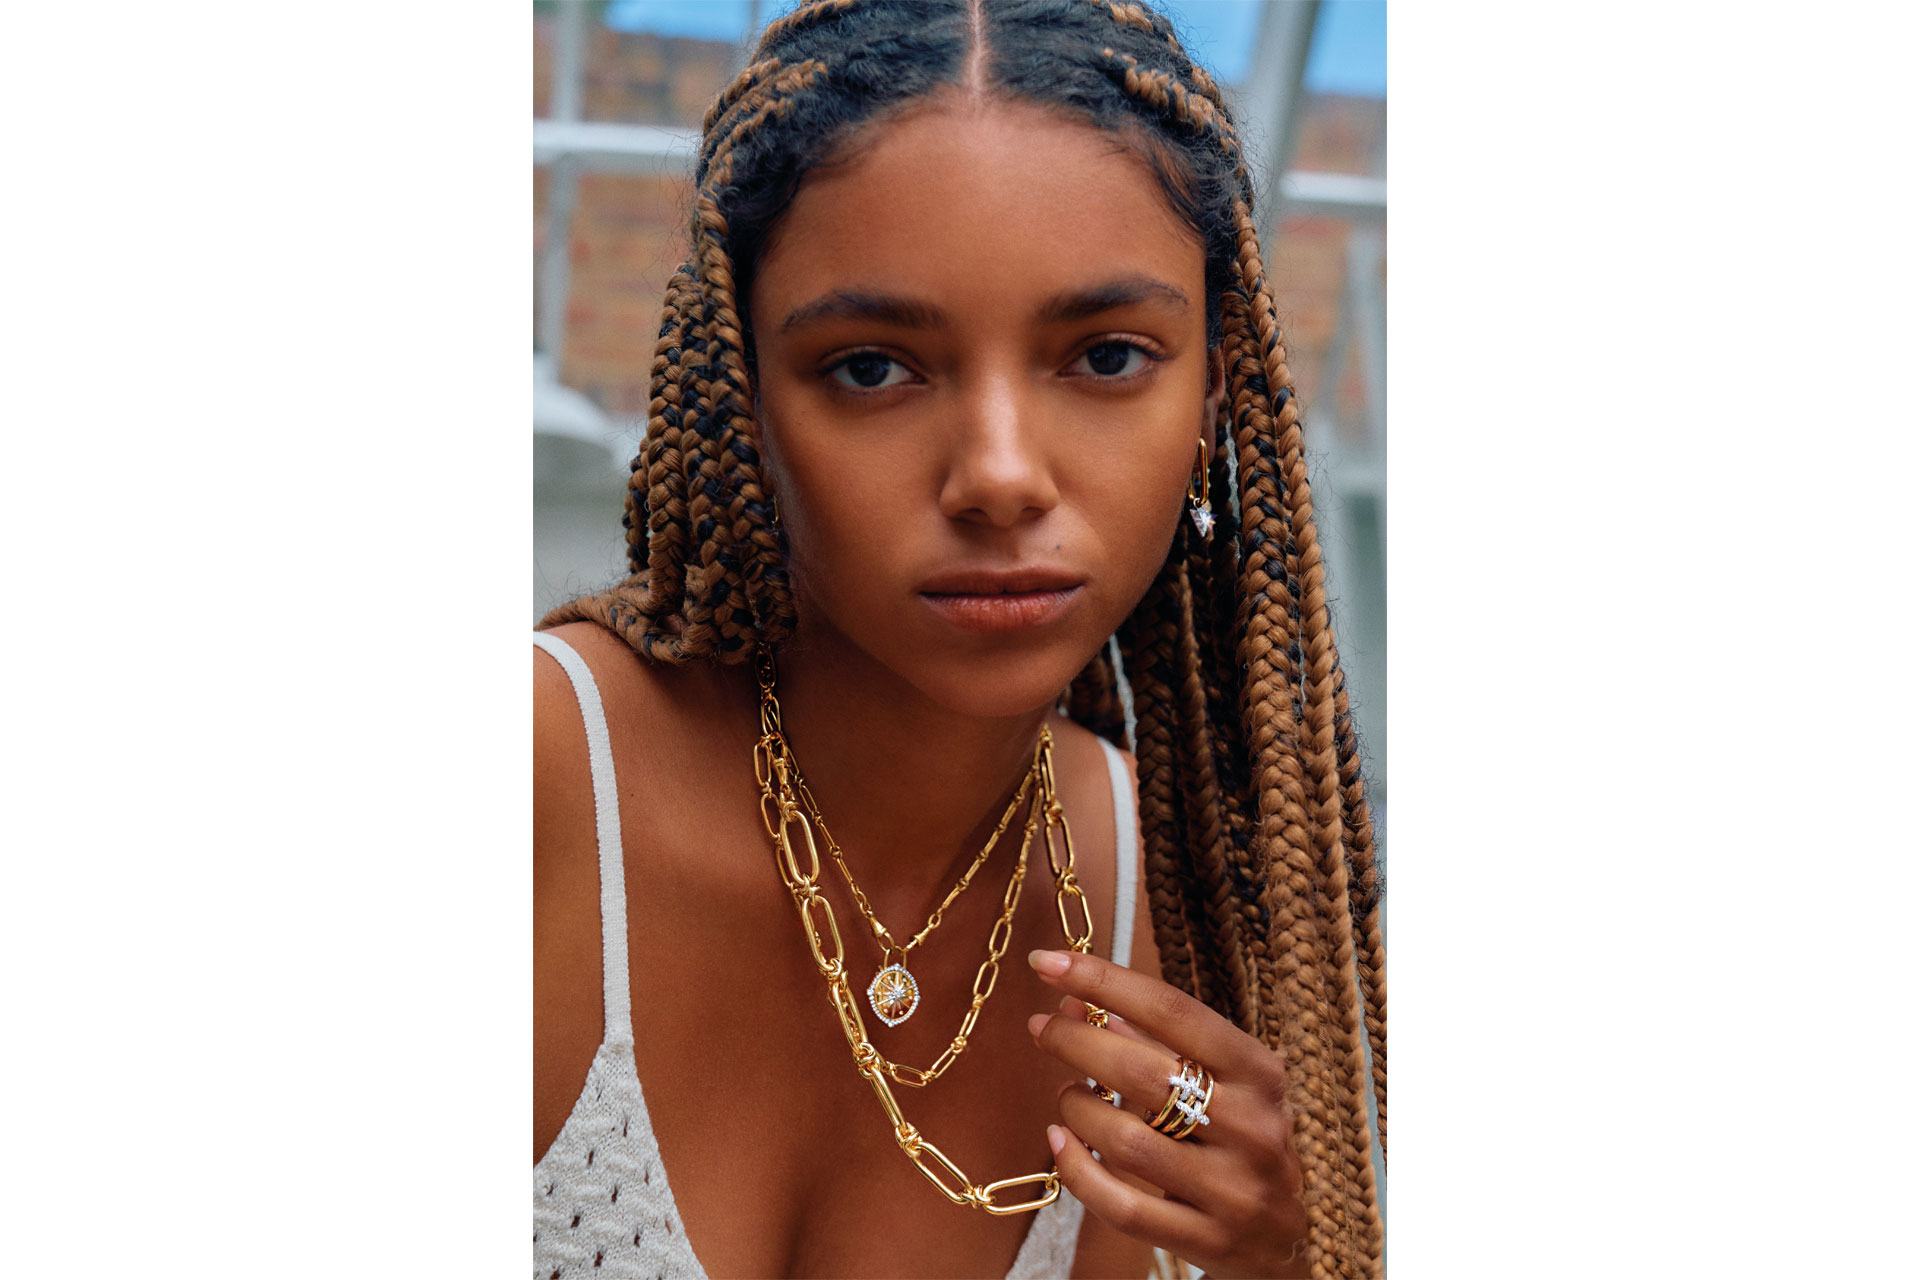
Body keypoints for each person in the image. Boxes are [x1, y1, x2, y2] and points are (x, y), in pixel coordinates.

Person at [533, 1, 1386, 1276]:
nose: (998, 475)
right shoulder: (536, 782)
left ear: (1213, 395)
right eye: (873, 367)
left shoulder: (1174, 910)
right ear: (741, 392)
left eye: (1105, 355)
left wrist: (1276, 1261)